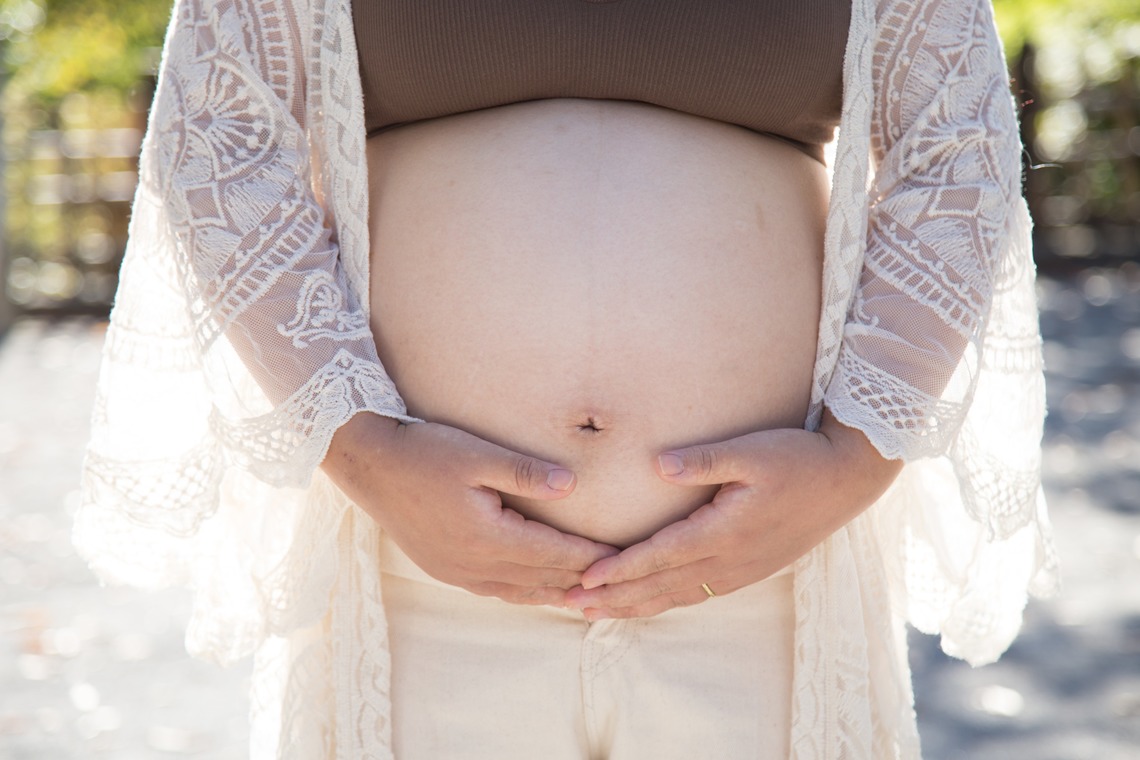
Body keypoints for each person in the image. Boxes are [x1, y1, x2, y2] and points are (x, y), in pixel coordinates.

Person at [75, 0, 1058, 756]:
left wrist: (853, 460)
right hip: (418, 590)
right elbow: (219, 126)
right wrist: (362, 450)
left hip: (765, 596)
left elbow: (955, 147)